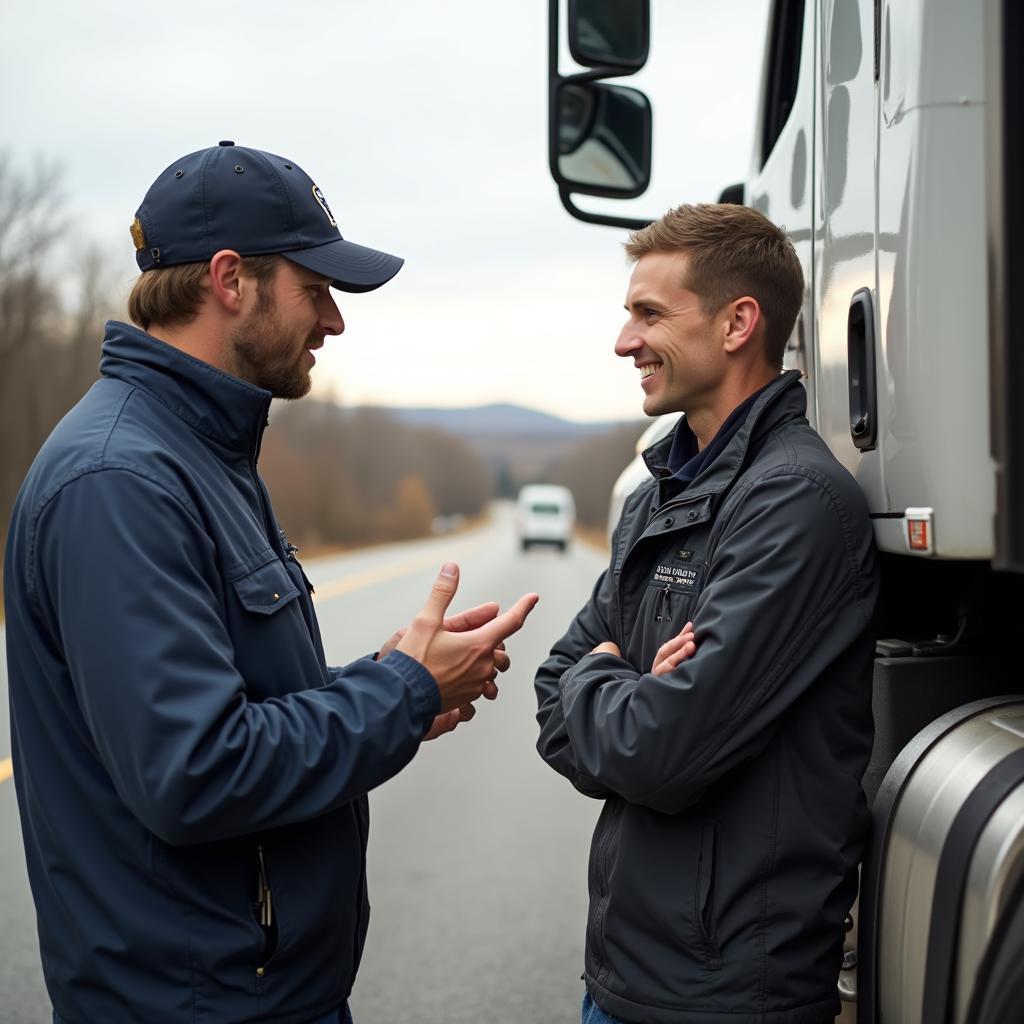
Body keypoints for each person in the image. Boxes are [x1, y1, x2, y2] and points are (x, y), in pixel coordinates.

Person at [3, 141, 538, 1024]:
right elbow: (194, 771)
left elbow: (233, 703)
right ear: (228, 279)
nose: (334, 322)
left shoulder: (202, 453)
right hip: (191, 1006)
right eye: (315, 290)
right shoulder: (121, 481)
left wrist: (388, 677)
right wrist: (402, 692)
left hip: (256, 996)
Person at [534, 203, 879, 1024]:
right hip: (629, 973)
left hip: (722, 997)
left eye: (649, 313)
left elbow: (659, 752)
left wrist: (603, 676)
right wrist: (615, 682)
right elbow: (551, 699)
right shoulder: (656, 499)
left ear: (738, 324)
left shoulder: (795, 503)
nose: (625, 341)